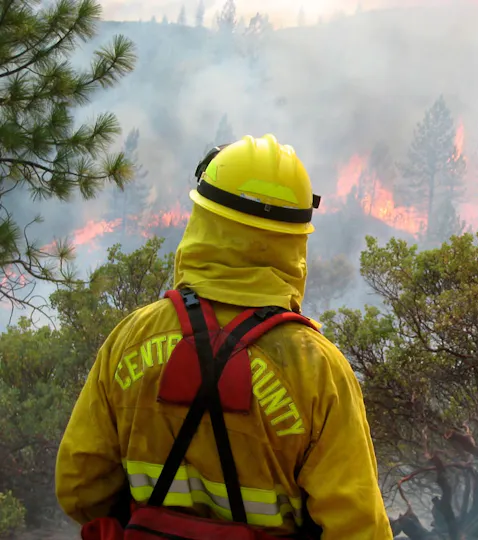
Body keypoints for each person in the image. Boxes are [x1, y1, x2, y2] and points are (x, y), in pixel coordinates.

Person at [55, 134, 394, 539]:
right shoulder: (317, 369)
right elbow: (358, 529)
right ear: (296, 240)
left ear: (202, 219)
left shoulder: (133, 335)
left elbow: (79, 487)